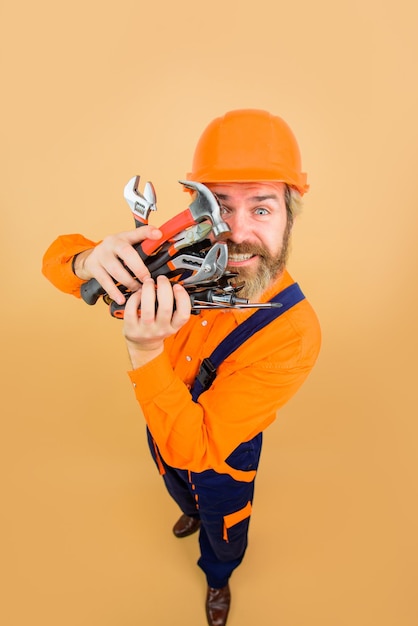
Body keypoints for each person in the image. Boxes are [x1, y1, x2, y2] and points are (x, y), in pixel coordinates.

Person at [42, 109, 321, 626]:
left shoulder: (295, 335)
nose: (236, 233)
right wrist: (90, 262)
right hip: (160, 419)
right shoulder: (175, 255)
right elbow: (54, 259)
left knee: (225, 526)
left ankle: (218, 578)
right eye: (222, 207)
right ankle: (186, 509)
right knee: (171, 476)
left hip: (224, 455)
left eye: (261, 210)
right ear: (199, 210)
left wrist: (146, 352)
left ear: (290, 216)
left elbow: (198, 447)